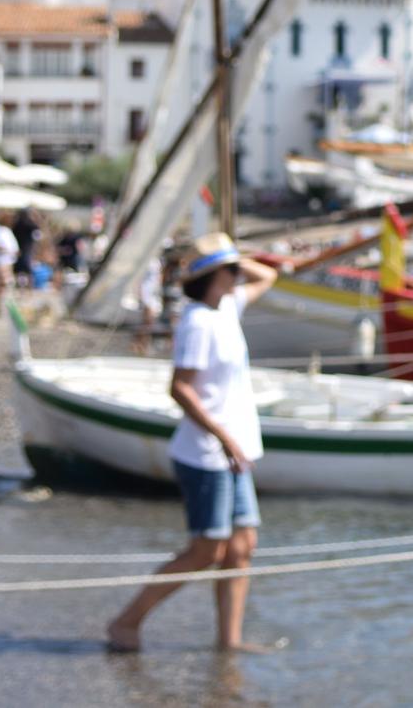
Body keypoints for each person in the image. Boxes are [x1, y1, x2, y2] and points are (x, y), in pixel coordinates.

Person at [107, 234, 279, 654]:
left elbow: (269, 275)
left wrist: (235, 255)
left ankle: (229, 642)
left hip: (237, 451)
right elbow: (180, 389)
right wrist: (222, 436)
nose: (240, 275)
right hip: (208, 453)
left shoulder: (228, 308)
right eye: (232, 269)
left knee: (242, 548)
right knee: (207, 550)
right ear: (217, 275)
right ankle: (126, 623)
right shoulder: (198, 321)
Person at [12, 206, 40, 288]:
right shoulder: (30, 225)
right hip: (27, 250)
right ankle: (29, 289)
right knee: (28, 271)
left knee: (18, 270)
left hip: (18, 250)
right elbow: (37, 236)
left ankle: (21, 288)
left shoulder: (16, 225)